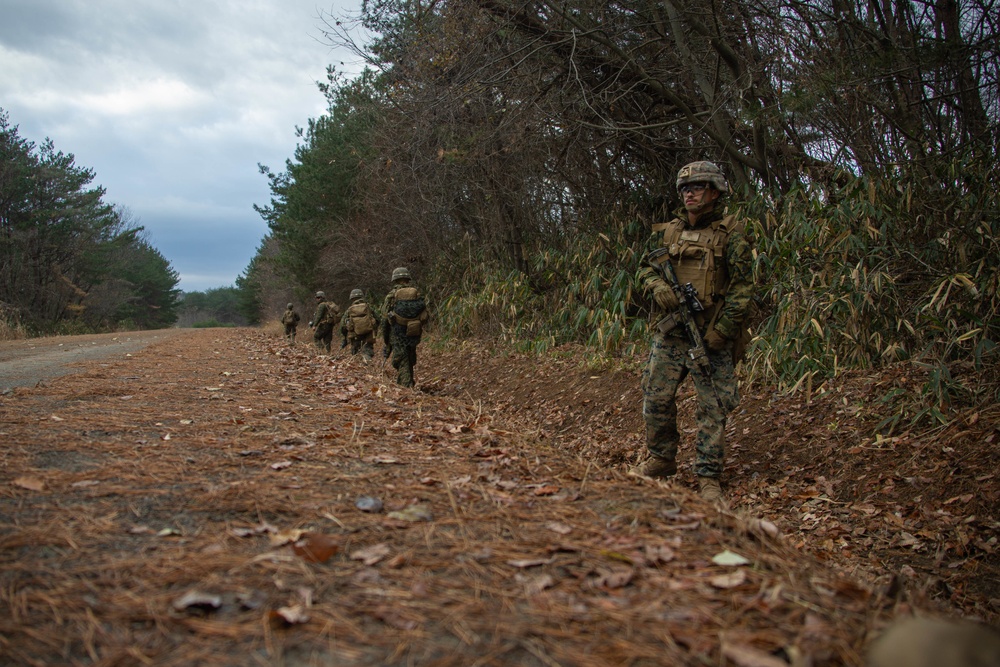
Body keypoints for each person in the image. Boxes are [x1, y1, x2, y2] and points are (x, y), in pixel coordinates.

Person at [630, 161, 755, 502]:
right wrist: (657, 286)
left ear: (715, 191)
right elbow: (644, 268)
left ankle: (708, 475)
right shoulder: (668, 232)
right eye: (685, 188)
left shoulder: (732, 233)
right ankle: (661, 459)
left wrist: (723, 332)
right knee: (655, 398)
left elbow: (744, 289)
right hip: (671, 334)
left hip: (710, 333)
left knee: (713, 407)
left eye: (697, 187)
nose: (690, 193)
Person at [381, 267, 428, 387]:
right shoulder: (416, 294)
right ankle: (406, 382)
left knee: (402, 360)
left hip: (397, 332)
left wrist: (386, 339)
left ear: (394, 279)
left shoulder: (391, 296)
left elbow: (384, 318)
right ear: (408, 278)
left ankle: (406, 386)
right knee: (409, 356)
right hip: (414, 330)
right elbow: (425, 314)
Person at [340, 288, 379, 360]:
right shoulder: (368, 307)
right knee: (367, 352)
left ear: (352, 298)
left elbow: (342, 326)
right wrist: (374, 329)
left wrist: (344, 337)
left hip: (355, 336)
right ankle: (367, 365)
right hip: (368, 334)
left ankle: (357, 369)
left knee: (355, 354)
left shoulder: (349, 310)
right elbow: (378, 319)